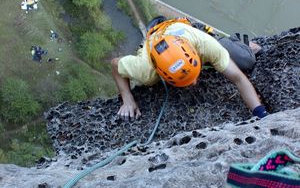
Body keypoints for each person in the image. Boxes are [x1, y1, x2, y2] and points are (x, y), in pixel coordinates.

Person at [111, 16, 269, 121]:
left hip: (187, 30)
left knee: (246, 60)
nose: (194, 84)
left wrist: (260, 113)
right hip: (155, 38)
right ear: (163, 75)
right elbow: (115, 64)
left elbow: (239, 78)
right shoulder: (146, 70)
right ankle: (155, 28)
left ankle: (240, 43)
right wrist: (127, 98)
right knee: (147, 84)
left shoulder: (205, 44)